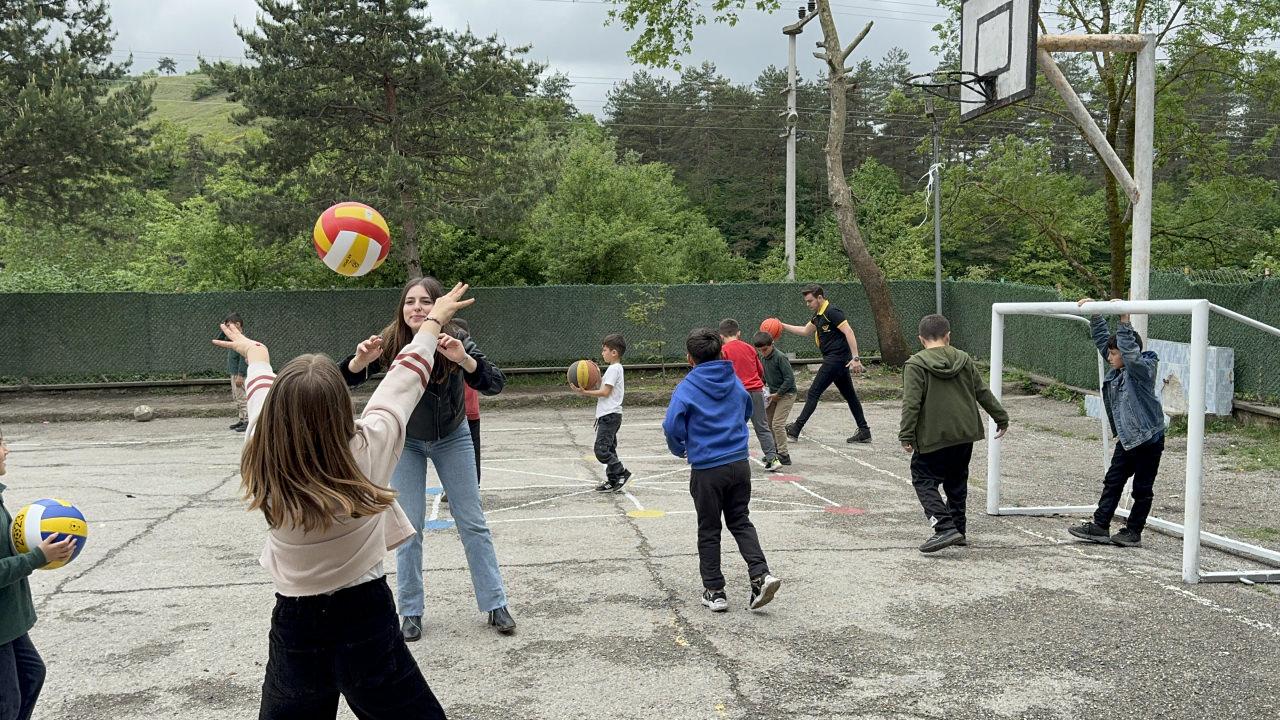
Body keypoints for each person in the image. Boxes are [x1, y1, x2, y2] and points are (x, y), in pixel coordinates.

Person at [212, 282, 473, 719]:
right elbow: (406, 375)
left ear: (277, 411)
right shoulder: (370, 444)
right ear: (340, 405)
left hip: (296, 623)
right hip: (365, 616)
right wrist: (434, 319)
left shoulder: (262, 446)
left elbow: (261, 388)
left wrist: (254, 352)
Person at [341, 277, 514, 641]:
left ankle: (495, 603)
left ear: (438, 307)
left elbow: (495, 382)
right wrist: (358, 362)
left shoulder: (457, 335)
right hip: (407, 441)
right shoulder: (390, 342)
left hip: (453, 436)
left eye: (425, 301)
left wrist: (464, 359)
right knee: (410, 528)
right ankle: (411, 611)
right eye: (410, 301)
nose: (416, 307)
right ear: (401, 309)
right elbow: (342, 379)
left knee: (472, 521)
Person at [663, 328, 782, 613]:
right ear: (721, 352)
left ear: (689, 358)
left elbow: (671, 426)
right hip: (739, 464)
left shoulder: (687, 387)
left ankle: (715, 591)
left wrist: (680, 448)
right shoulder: (734, 380)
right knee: (740, 521)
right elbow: (744, 410)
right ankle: (760, 574)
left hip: (707, 468)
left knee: (709, 528)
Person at [898, 314, 1009, 553]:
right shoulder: (964, 358)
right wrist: (1001, 417)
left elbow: (911, 403)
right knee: (956, 481)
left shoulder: (916, 364)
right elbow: (981, 391)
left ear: (921, 339)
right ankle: (959, 529)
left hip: (933, 435)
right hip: (964, 432)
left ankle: (943, 525)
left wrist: (906, 434)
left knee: (923, 478)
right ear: (948, 336)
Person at [1068, 298, 1165, 548]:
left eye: (1114, 353)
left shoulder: (1142, 370)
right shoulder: (1117, 369)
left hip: (1148, 439)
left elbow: (1131, 356)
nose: (1109, 357)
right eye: (1110, 354)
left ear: (1127, 350)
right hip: (1128, 439)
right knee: (1113, 481)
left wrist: (1124, 320)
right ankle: (1100, 525)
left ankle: (1134, 531)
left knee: (1142, 488)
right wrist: (1096, 314)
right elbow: (1103, 342)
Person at [1, 426, 79, 720]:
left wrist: (34, 541)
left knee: (32, 675)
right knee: (6, 702)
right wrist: (37, 557)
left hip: (8, 620)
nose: (7, 450)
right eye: (0, 443)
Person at [780, 285, 872, 444]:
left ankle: (796, 429)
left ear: (820, 298)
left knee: (813, 392)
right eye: (806, 301)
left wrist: (856, 358)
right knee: (850, 396)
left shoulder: (832, 312)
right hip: (837, 361)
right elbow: (804, 331)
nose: (808, 304)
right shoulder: (818, 315)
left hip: (836, 359)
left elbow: (849, 331)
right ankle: (864, 431)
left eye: (810, 301)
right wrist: (781, 325)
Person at [719, 319, 781, 472]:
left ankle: (736, 459)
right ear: (738, 333)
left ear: (721, 335)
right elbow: (760, 371)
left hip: (737, 392)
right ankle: (773, 458)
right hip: (756, 390)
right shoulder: (750, 348)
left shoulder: (723, 351)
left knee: (735, 426)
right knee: (762, 425)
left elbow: (722, 373)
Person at [574, 334, 631, 492]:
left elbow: (605, 392)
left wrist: (584, 392)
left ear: (614, 352)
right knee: (609, 449)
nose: (602, 353)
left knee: (601, 450)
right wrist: (597, 374)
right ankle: (612, 480)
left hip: (610, 416)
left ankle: (621, 472)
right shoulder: (614, 369)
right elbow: (602, 385)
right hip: (610, 415)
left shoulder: (614, 369)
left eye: (604, 350)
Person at [753, 331, 797, 466]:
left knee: (777, 424)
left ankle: (784, 454)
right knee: (768, 423)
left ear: (772, 344)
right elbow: (764, 376)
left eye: (765, 349)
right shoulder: (763, 359)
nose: (763, 352)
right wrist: (762, 387)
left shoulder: (780, 357)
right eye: (759, 350)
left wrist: (779, 394)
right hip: (773, 394)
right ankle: (773, 453)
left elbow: (789, 379)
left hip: (787, 394)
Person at [452, 319, 482, 487]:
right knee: (452, 456)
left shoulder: (469, 358)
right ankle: (452, 488)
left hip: (469, 413)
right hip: (454, 415)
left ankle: (474, 485)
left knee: (472, 454)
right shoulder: (446, 356)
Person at [217, 312, 249, 432]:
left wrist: (240, 375)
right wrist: (224, 326)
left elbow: (243, 358)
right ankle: (242, 419)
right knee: (237, 397)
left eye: (230, 326)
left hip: (239, 374)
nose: (228, 329)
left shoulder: (242, 340)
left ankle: (247, 421)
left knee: (242, 398)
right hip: (234, 373)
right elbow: (218, 340)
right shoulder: (232, 339)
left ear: (238, 324)